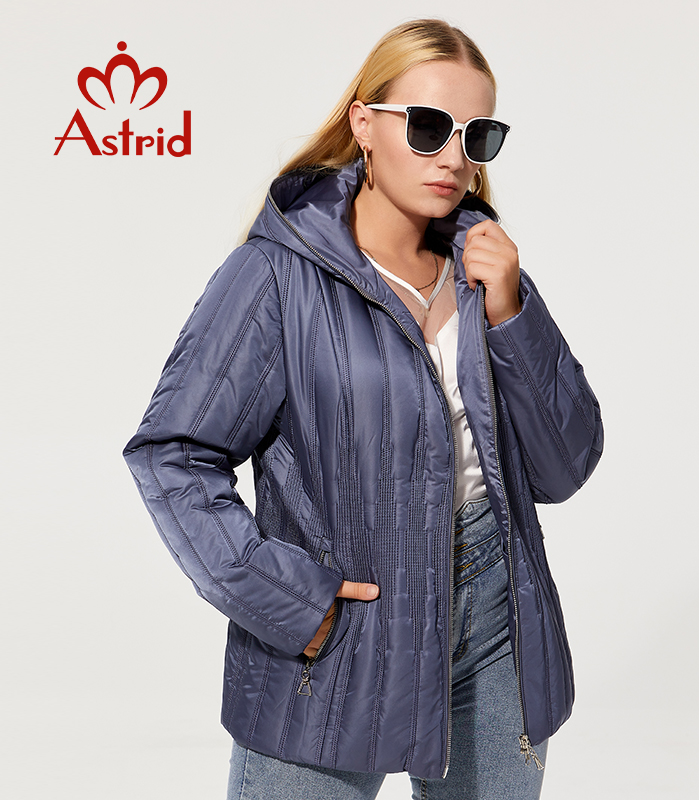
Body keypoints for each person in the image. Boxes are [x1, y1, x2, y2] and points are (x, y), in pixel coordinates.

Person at [123, 18, 603, 800]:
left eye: (477, 135)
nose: (453, 157)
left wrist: (514, 314)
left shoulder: (487, 275)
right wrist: (288, 597)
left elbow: (563, 467)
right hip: (342, 632)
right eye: (428, 126)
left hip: (498, 625)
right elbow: (172, 452)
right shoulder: (276, 276)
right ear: (365, 124)